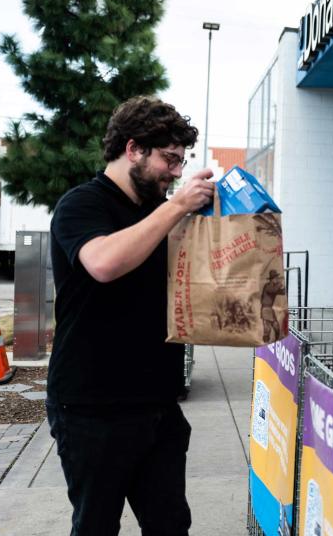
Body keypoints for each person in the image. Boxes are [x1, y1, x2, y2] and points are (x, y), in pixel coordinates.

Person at [47, 96, 215, 536]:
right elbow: (103, 263)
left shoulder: (154, 211)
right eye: (170, 159)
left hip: (157, 403)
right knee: (97, 526)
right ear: (134, 148)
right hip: (92, 407)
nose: (177, 173)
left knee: (170, 524)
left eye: (181, 162)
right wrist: (176, 207)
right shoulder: (82, 204)